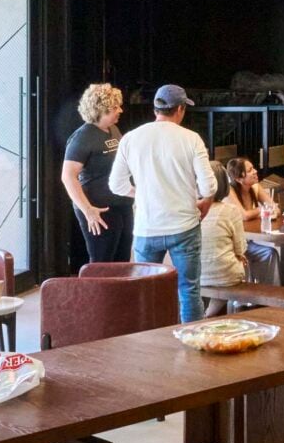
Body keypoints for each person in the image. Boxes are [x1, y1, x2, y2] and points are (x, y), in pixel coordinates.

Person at [110, 84, 217, 322]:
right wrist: (205, 201)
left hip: (147, 228)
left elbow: (115, 184)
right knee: (189, 291)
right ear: (180, 109)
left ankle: (149, 346)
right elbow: (209, 186)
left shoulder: (131, 138)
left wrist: (142, 193)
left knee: (145, 291)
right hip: (184, 226)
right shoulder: (191, 139)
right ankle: (194, 348)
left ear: (155, 108)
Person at [61, 82, 130, 268]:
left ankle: (119, 298)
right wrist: (88, 210)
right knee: (102, 262)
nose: (120, 111)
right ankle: (97, 297)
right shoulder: (82, 138)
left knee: (122, 261)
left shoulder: (113, 129)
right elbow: (68, 177)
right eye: (115, 108)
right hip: (97, 209)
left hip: (120, 204)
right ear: (101, 110)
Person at [198, 159, 256, 310]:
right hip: (225, 276)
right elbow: (241, 248)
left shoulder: (191, 209)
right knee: (238, 266)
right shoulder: (230, 211)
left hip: (194, 273)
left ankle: (207, 314)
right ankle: (238, 306)